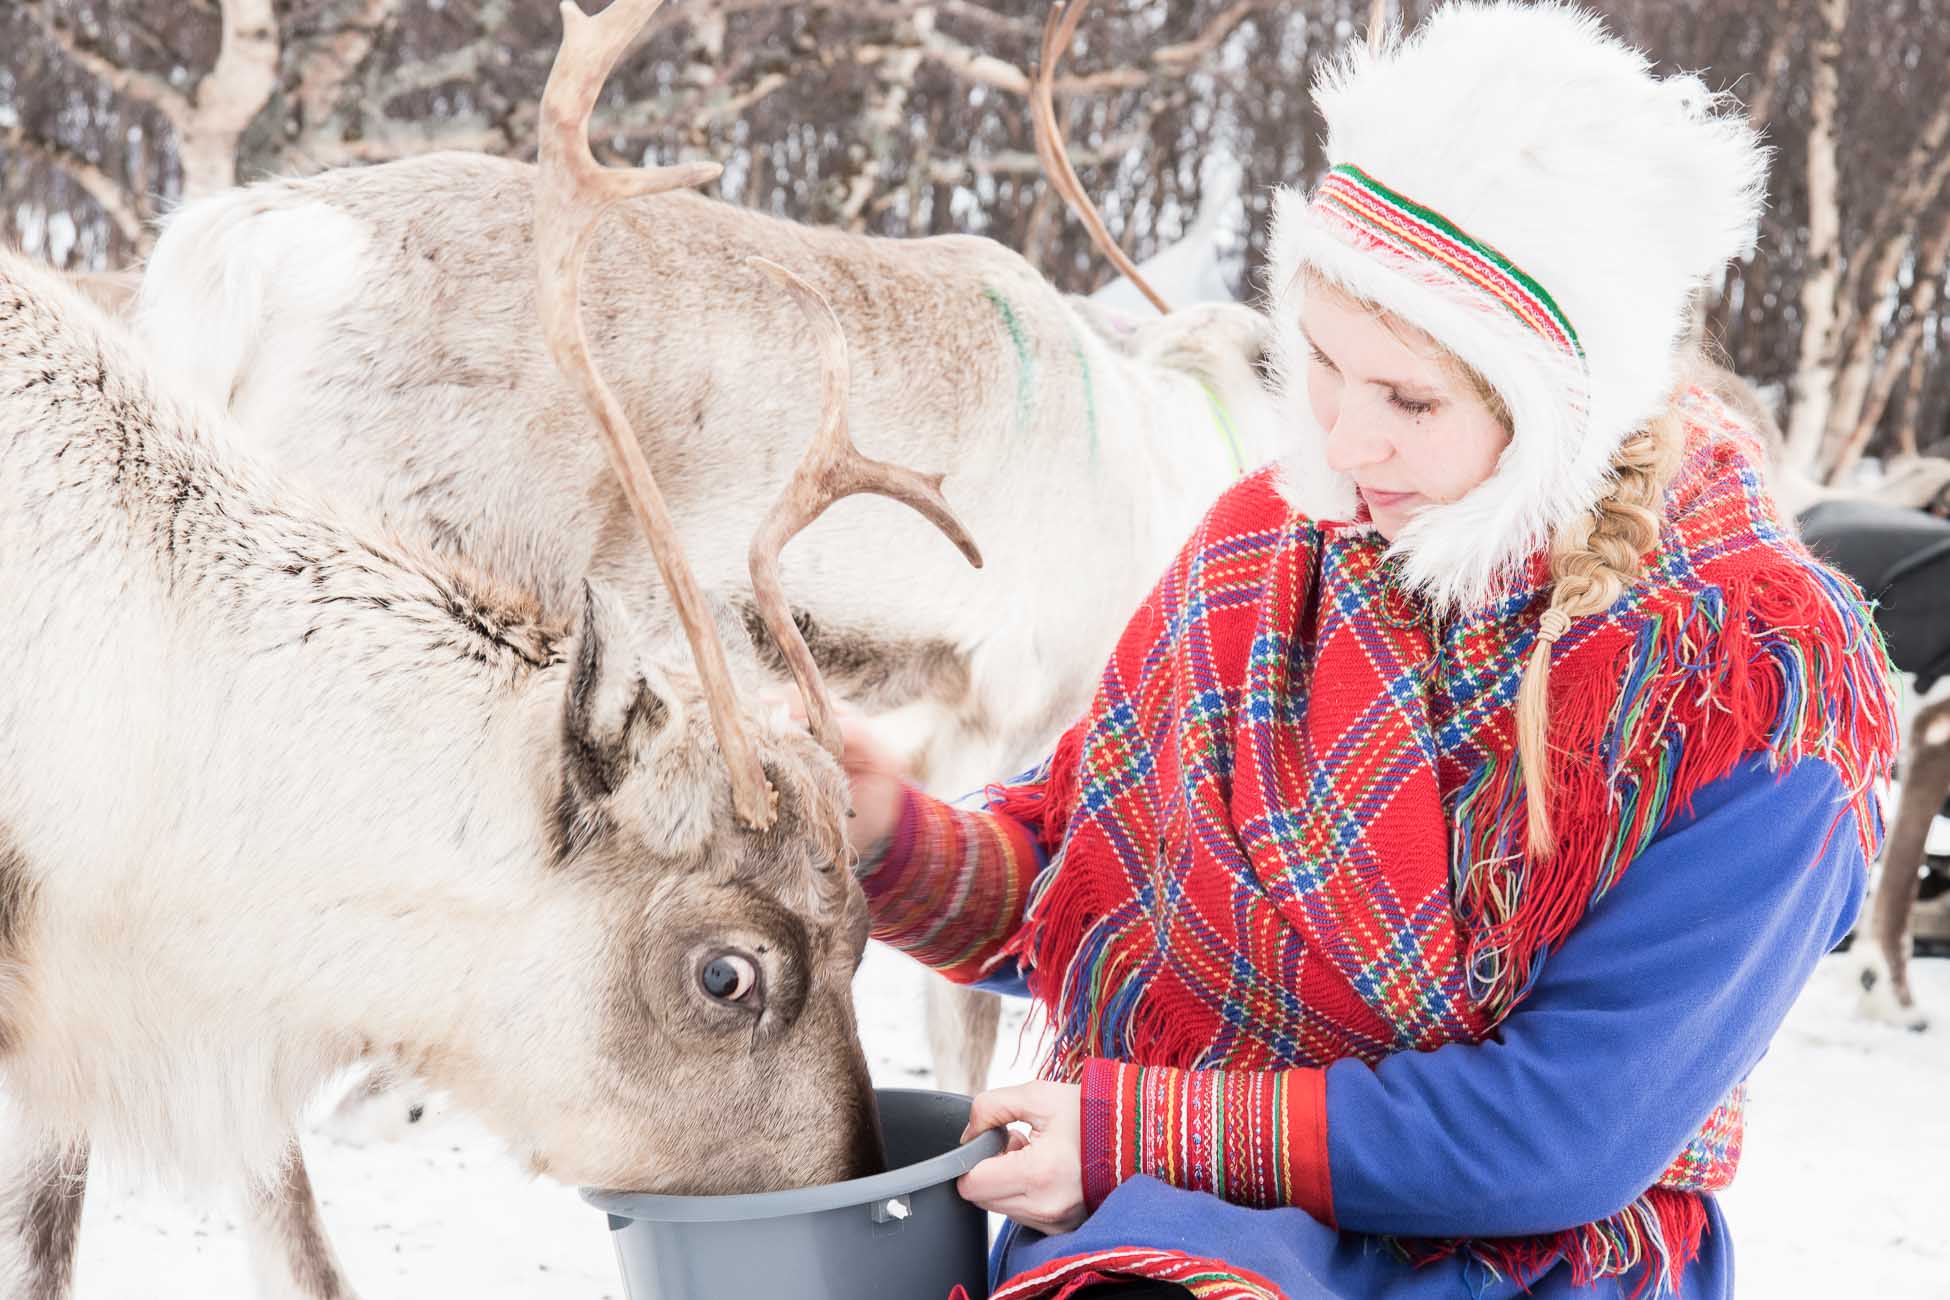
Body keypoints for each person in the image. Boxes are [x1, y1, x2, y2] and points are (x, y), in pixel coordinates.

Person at [839, 5, 1898, 1297]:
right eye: (1324, 365)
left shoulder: (1742, 696)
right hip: (1160, 1232)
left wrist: (1140, 1130)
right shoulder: (1271, 553)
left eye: (1410, 400)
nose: (1343, 439)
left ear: (1561, 408)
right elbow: (1083, 891)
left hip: (1510, 1263)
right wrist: (880, 838)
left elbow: (1558, 1131)